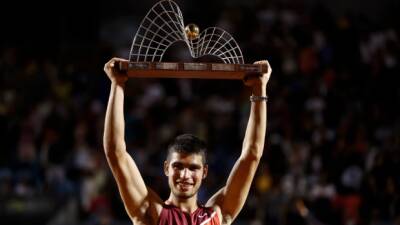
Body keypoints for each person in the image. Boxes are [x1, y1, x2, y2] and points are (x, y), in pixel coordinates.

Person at [103, 58, 272, 225]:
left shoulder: (216, 215)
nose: (185, 175)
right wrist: (117, 84)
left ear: (204, 172)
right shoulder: (151, 213)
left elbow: (252, 155)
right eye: (178, 166)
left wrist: (259, 88)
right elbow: (115, 152)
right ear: (166, 168)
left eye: (193, 168)